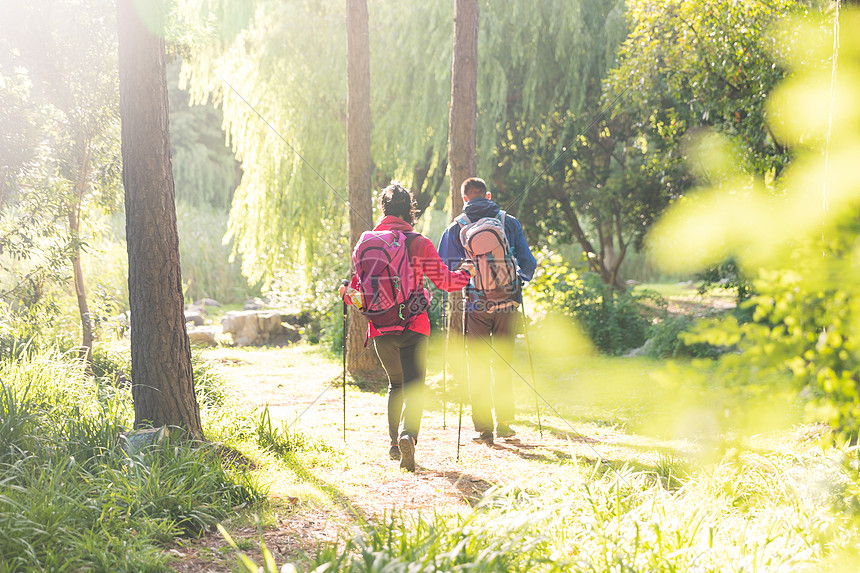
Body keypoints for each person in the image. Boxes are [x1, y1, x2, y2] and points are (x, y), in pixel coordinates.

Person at [341, 183, 475, 472]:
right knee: (414, 387)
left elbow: (355, 289)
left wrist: (345, 293)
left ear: (383, 210)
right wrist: (465, 273)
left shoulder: (365, 242)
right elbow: (445, 282)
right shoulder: (418, 242)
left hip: (379, 327)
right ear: (410, 211)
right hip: (414, 325)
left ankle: (393, 444)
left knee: (396, 385)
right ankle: (407, 437)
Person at [437, 177, 537, 446]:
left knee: (478, 364)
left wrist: (465, 276)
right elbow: (528, 262)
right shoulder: (509, 221)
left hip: (476, 304)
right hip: (507, 302)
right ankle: (505, 422)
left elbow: (444, 266)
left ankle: (484, 429)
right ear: (488, 195)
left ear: (464, 199)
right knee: (503, 362)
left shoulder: (457, 227)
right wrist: (516, 281)